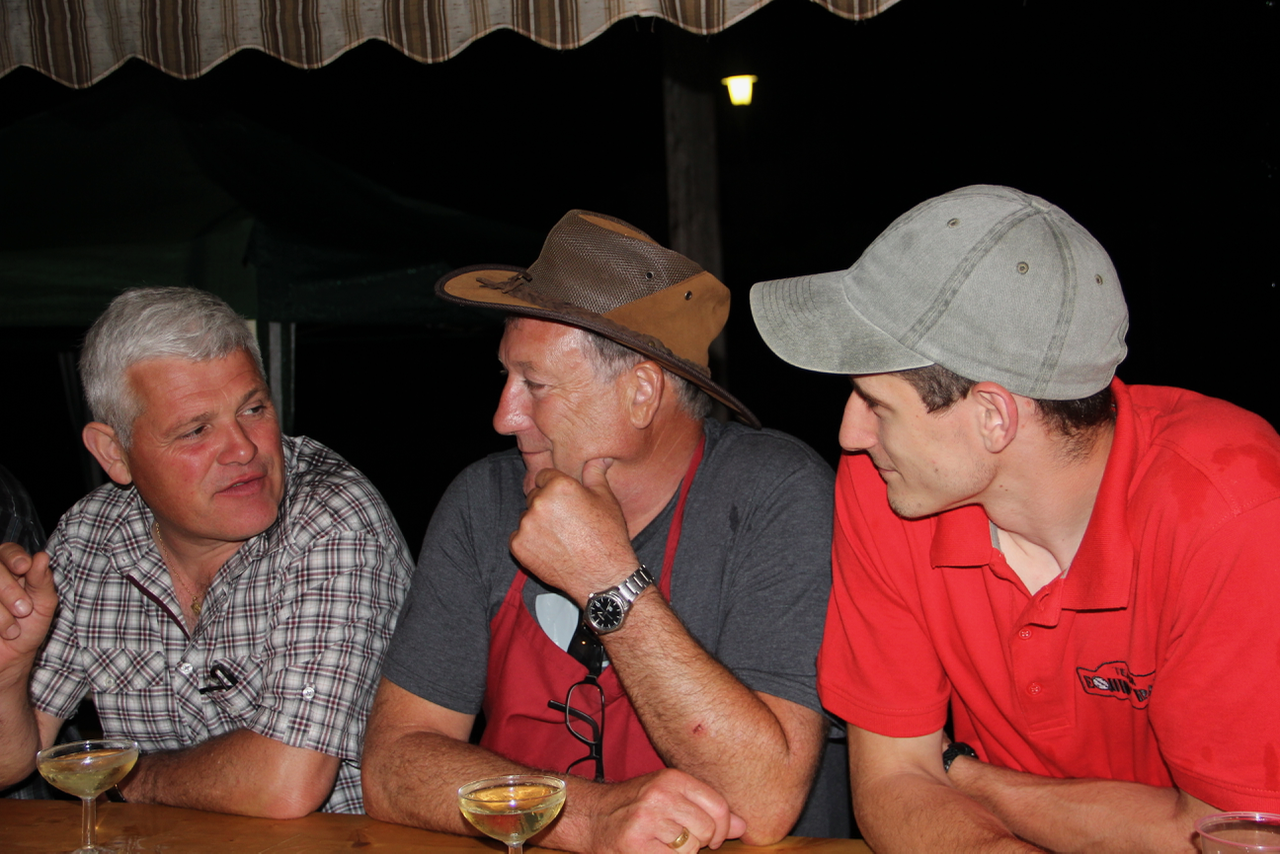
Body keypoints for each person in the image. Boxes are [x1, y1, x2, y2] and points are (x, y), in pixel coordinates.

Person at [749, 184, 1280, 853]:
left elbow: (1232, 836)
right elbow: (892, 781)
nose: (850, 435)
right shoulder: (887, 484)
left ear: (993, 417)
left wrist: (970, 778)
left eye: (875, 403)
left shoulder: (1234, 511)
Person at [362, 210, 844, 854]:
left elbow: (761, 801)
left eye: (535, 384)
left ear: (642, 393)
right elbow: (391, 769)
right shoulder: (483, 500)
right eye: (506, 378)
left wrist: (605, 576)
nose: (504, 416)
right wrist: (588, 819)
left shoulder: (772, 495)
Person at [0, 287, 413, 817]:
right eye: (196, 430)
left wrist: (125, 775)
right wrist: (8, 675)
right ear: (114, 453)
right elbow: (11, 762)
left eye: (254, 409)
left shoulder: (330, 515)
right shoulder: (90, 536)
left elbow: (285, 783)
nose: (244, 448)